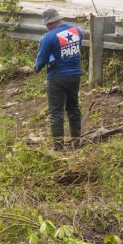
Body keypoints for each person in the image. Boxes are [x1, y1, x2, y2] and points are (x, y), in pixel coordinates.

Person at [33, 8, 83, 150]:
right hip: (75, 75)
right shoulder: (77, 31)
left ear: (51, 23)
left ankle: (58, 146)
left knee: (56, 112)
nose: (47, 28)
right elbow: (76, 49)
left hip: (57, 77)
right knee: (73, 107)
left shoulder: (49, 37)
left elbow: (42, 58)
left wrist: (36, 68)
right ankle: (76, 141)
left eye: (47, 25)